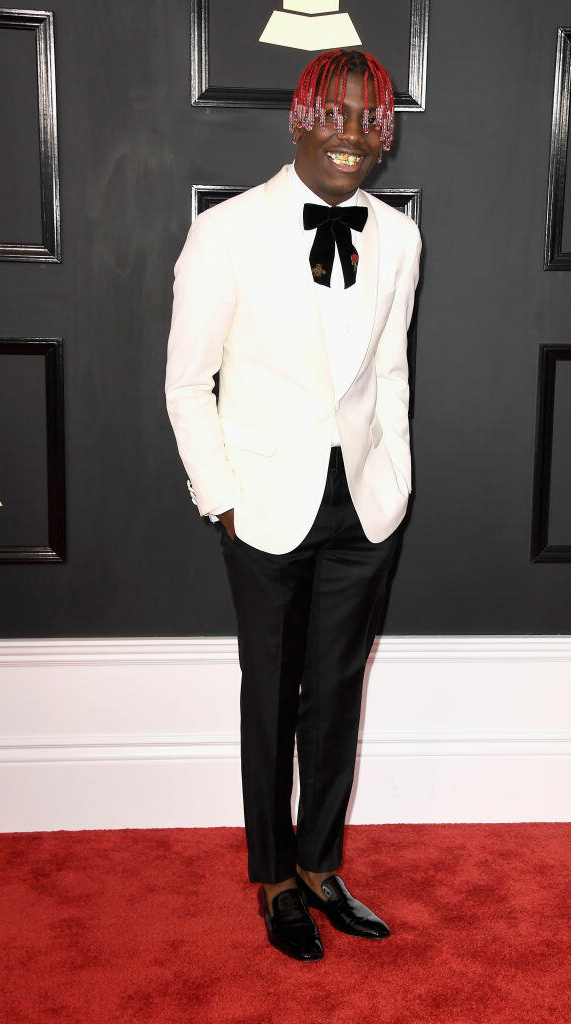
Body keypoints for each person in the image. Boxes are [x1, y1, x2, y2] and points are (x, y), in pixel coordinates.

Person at [165, 47, 422, 961]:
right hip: (264, 503)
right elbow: (188, 383)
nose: (353, 135)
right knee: (271, 700)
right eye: (337, 114)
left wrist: (392, 481)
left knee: (336, 697)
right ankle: (273, 881)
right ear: (301, 118)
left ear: (381, 134)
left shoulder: (399, 237)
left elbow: (390, 371)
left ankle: (320, 867)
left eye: (370, 119)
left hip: (362, 507)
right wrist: (221, 499)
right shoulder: (227, 232)